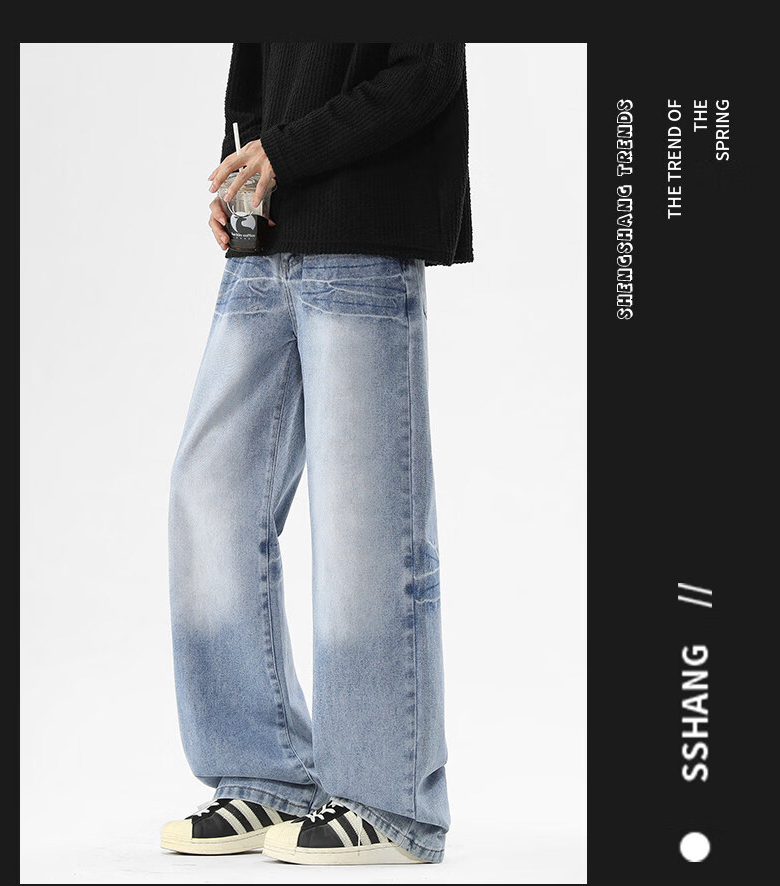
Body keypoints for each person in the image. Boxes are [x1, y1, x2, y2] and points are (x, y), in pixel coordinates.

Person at [161, 42, 472, 866]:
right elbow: (257, 76)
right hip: (268, 242)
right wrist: (241, 177)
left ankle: (388, 803)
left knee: (364, 526)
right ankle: (265, 775)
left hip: (364, 234)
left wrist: (284, 153)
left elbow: (426, 71)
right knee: (210, 494)